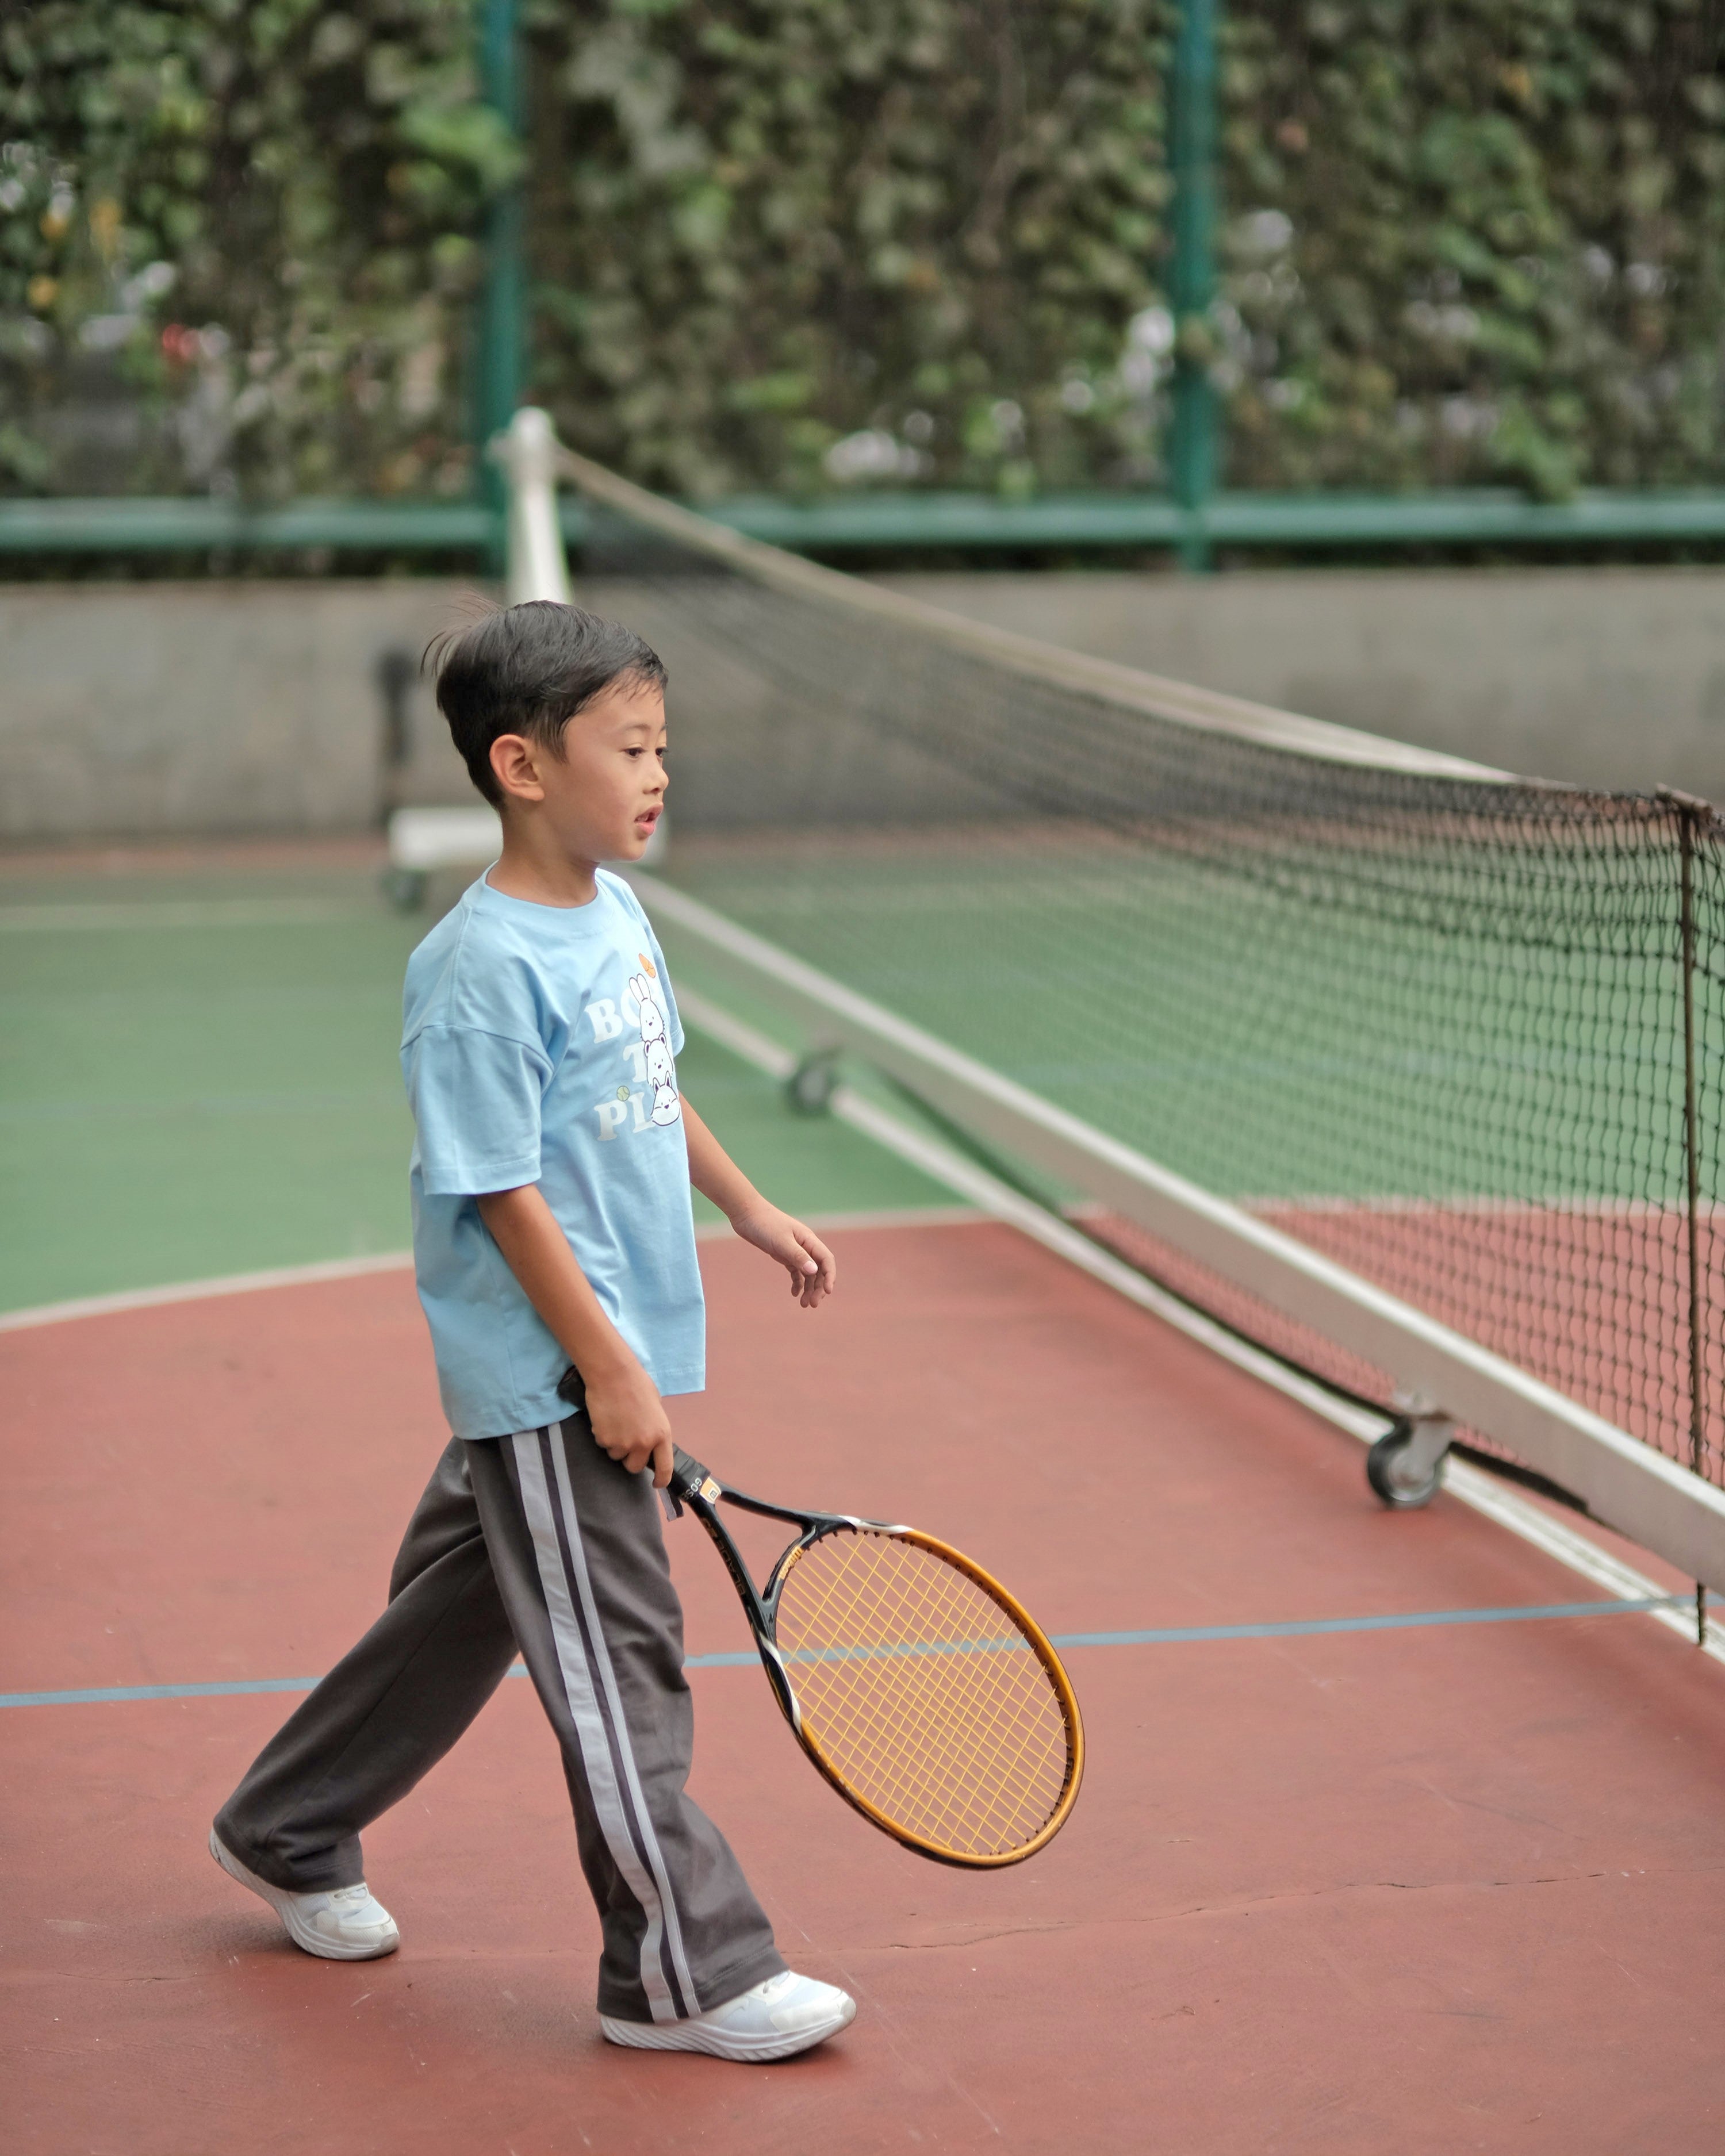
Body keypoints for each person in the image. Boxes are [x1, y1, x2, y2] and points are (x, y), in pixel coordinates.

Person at [209, 600, 855, 2064]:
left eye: (663, 746)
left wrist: (745, 1206)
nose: (659, 774)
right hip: (559, 1369)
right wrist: (610, 1368)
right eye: (629, 747)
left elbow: (649, 1075)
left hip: (611, 1347)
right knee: (624, 1664)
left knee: (470, 1602)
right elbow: (496, 1190)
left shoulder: (616, 914)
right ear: (521, 765)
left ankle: (285, 1826)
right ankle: (680, 1972)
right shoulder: (476, 974)